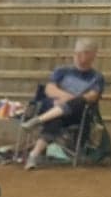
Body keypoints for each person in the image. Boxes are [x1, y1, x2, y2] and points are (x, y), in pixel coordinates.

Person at [24, 38, 105, 169]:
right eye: (76, 52)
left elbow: (92, 97)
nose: (78, 56)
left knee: (80, 101)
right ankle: (33, 155)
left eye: (83, 53)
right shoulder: (62, 70)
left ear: (92, 55)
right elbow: (49, 89)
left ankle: (38, 121)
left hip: (76, 115)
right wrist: (67, 98)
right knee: (56, 119)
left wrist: (69, 100)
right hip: (54, 109)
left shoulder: (97, 77)